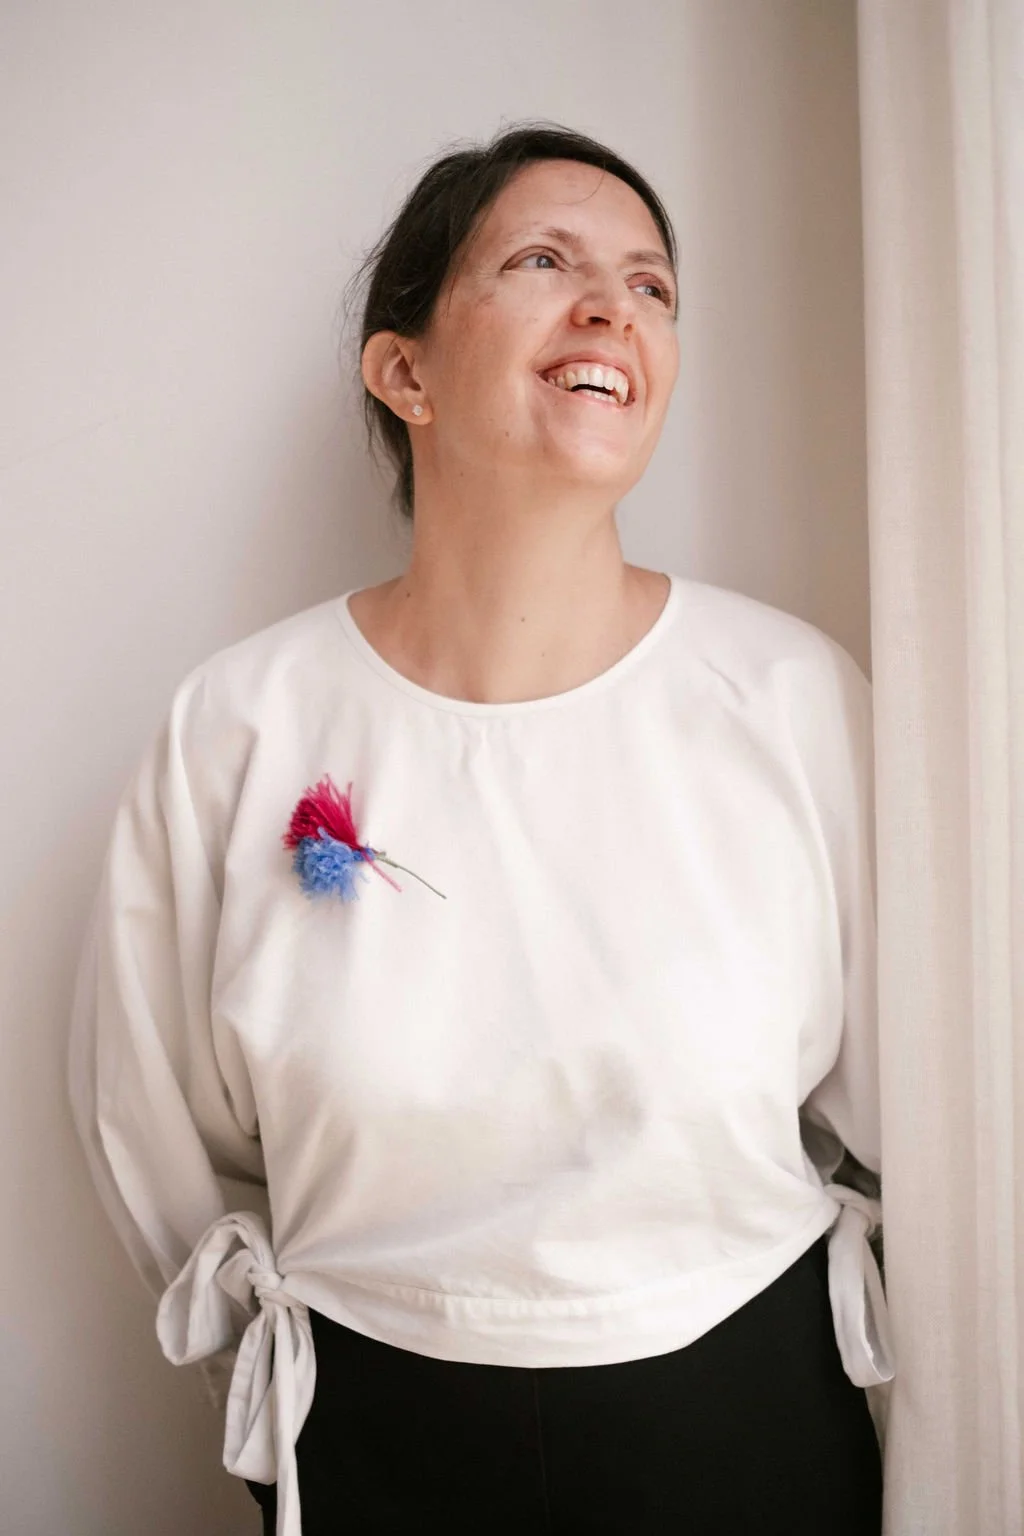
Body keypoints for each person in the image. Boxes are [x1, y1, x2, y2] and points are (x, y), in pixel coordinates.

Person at [68, 122, 892, 1536]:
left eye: (651, 286)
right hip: (377, 1441)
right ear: (404, 372)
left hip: (748, 1424)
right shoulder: (242, 725)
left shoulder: (792, 698)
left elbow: (929, 1113)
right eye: (545, 261)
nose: (611, 309)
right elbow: (148, 1124)